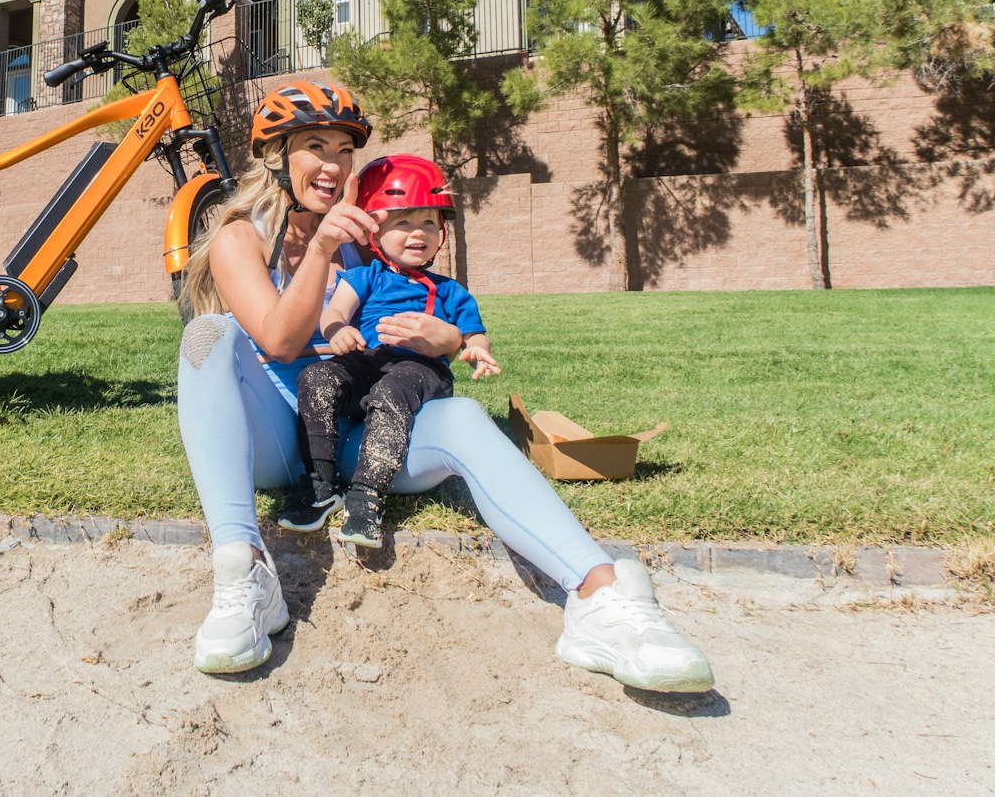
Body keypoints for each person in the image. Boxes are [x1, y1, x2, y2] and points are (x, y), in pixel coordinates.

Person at [175, 80, 714, 693]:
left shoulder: (364, 240)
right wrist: (323, 246)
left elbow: (429, 321)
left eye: (343, 151)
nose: (332, 165)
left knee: (460, 418)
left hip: (360, 431)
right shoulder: (240, 237)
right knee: (210, 334)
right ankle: (243, 572)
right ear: (275, 156)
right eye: (314, 147)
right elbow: (278, 341)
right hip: (277, 433)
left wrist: (449, 343)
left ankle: (602, 597)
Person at [279, 154, 500, 548]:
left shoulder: (451, 291)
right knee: (315, 378)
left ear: (442, 234)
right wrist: (339, 332)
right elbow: (334, 313)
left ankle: (367, 496)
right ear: (376, 233)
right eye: (404, 222)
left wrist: (476, 351)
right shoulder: (364, 276)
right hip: (367, 362)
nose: (419, 233)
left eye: (429, 223)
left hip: (420, 371)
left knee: (391, 391)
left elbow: (472, 335)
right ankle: (319, 487)